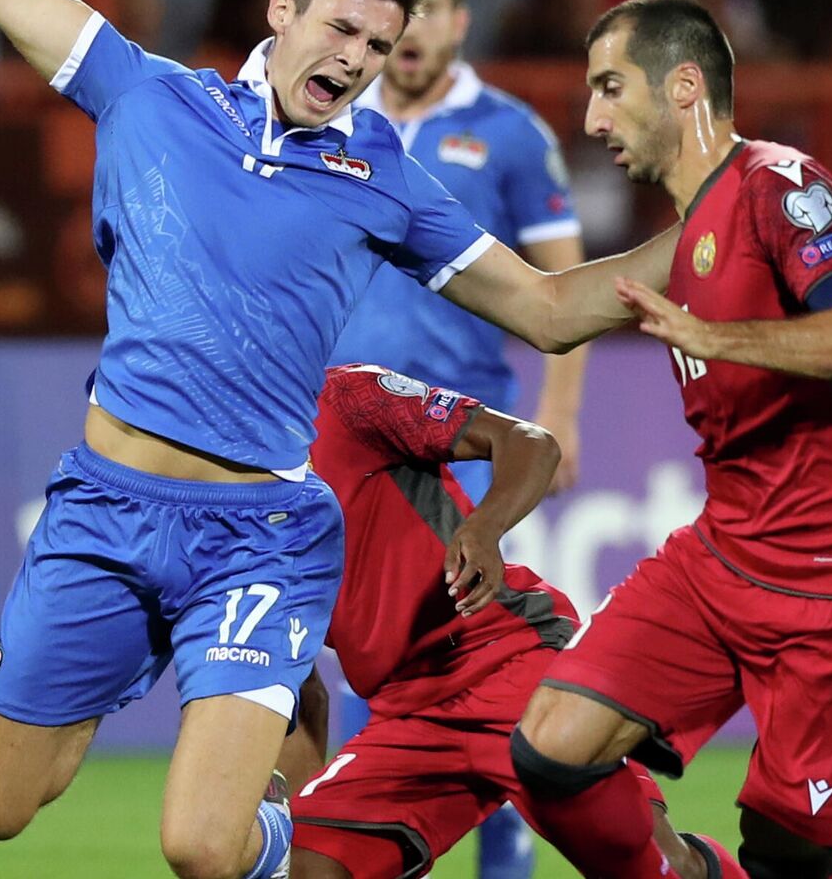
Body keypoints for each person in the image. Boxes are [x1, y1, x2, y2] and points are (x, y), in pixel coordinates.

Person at [0, 0, 678, 879]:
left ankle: (322, 834)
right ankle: (243, 697)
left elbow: (548, 308)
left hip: (256, 536)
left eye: (378, 48)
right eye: (341, 29)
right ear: (280, 9)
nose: (355, 61)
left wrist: (711, 232)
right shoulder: (152, 97)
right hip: (106, 509)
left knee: (202, 848)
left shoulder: (378, 173)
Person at [515, 0, 832, 879]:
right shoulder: (683, 243)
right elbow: (551, 310)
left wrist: (719, 339)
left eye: (609, 87)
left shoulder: (780, 189)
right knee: (550, 749)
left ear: (683, 86)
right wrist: (392, 221)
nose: (592, 117)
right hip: (724, 563)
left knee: (787, 855)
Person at [329, 0, 587, 879]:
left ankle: (502, 862)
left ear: (459, 20)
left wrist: (558, 419)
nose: (413, 29)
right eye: (402, 11)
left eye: (430, 8)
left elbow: (563, 283)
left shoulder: (511, 134)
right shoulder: (339, 121)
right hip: (353, 438)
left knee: (466, 652)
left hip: (461, 444)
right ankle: (369, 836)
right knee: (374, 649)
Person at [282, 363, 747, 879]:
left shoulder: (344, 397)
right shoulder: (225, 480)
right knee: (308, 867)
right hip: (408, 711)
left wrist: (484, 527)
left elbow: (531, 443)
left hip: (512, 661)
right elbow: (299, 685)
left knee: (654, 869)